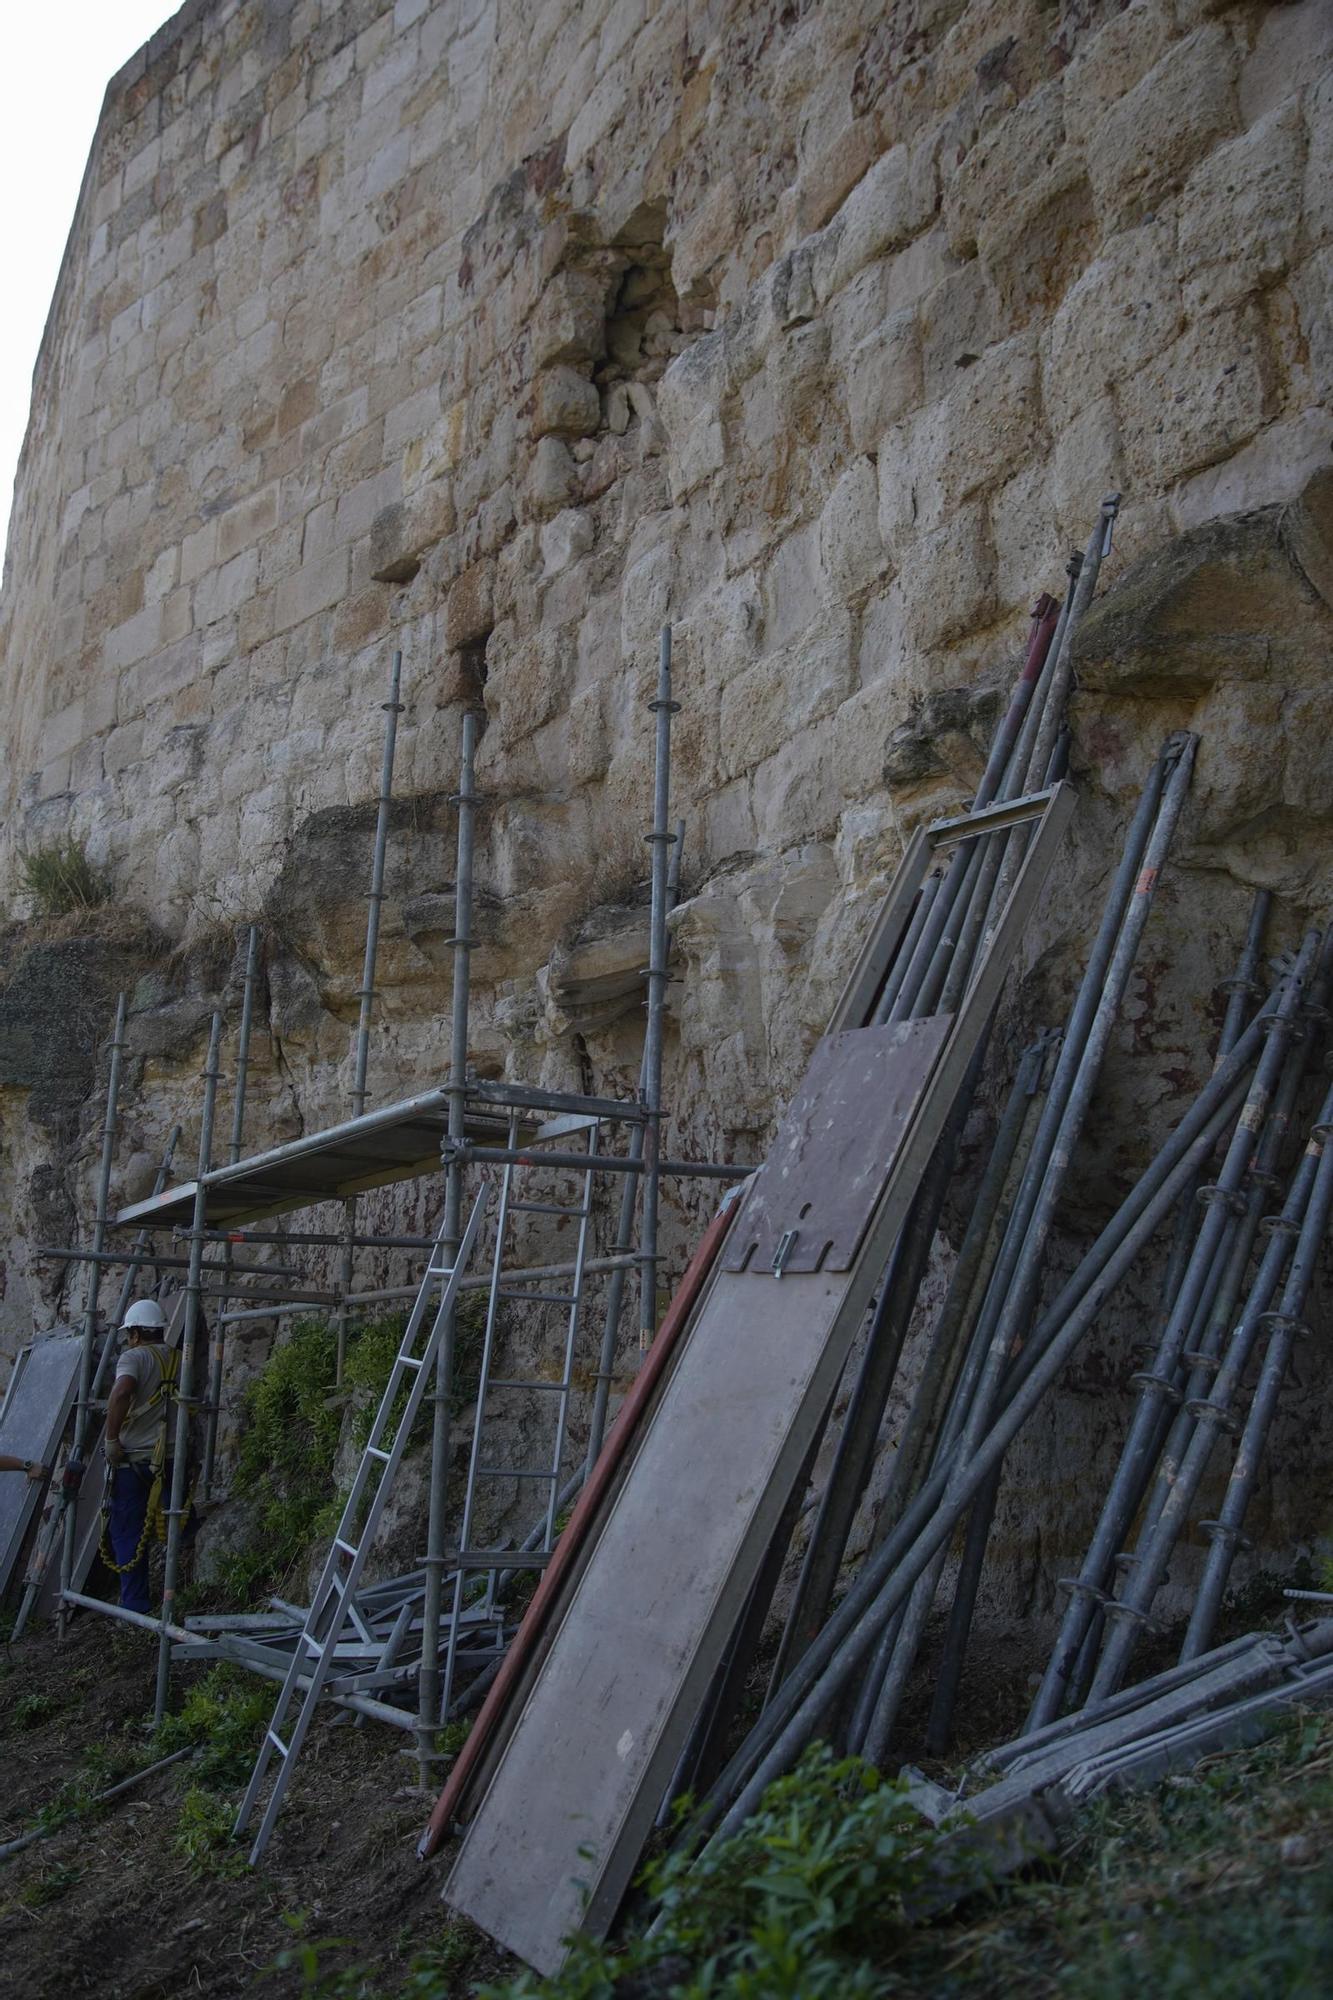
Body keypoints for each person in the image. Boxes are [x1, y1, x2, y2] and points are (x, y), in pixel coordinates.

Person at [103, 1298, 179, 1615]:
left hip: (135, 1458)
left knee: (128, 1532)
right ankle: (178, 1594)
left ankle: (134, 1605)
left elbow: (122, 1392)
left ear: (134, 1332)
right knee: (176, 1522)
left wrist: (111, 1438)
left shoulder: (133, 1357)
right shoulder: (178, 1357)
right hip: (173, 1455)